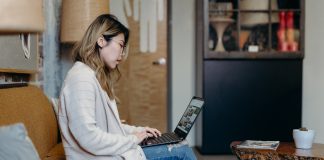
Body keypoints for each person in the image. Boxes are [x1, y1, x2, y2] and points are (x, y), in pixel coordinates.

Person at [58, 14, 197, 160]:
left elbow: (109, 128)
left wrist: (139, 131)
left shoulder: (92, 76)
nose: (122, 54)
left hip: (110, 154)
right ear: (101, 41)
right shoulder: (81, 79)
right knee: (181, 150)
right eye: (120, 45)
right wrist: (133, 139)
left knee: (179, 144)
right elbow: (89, 137)